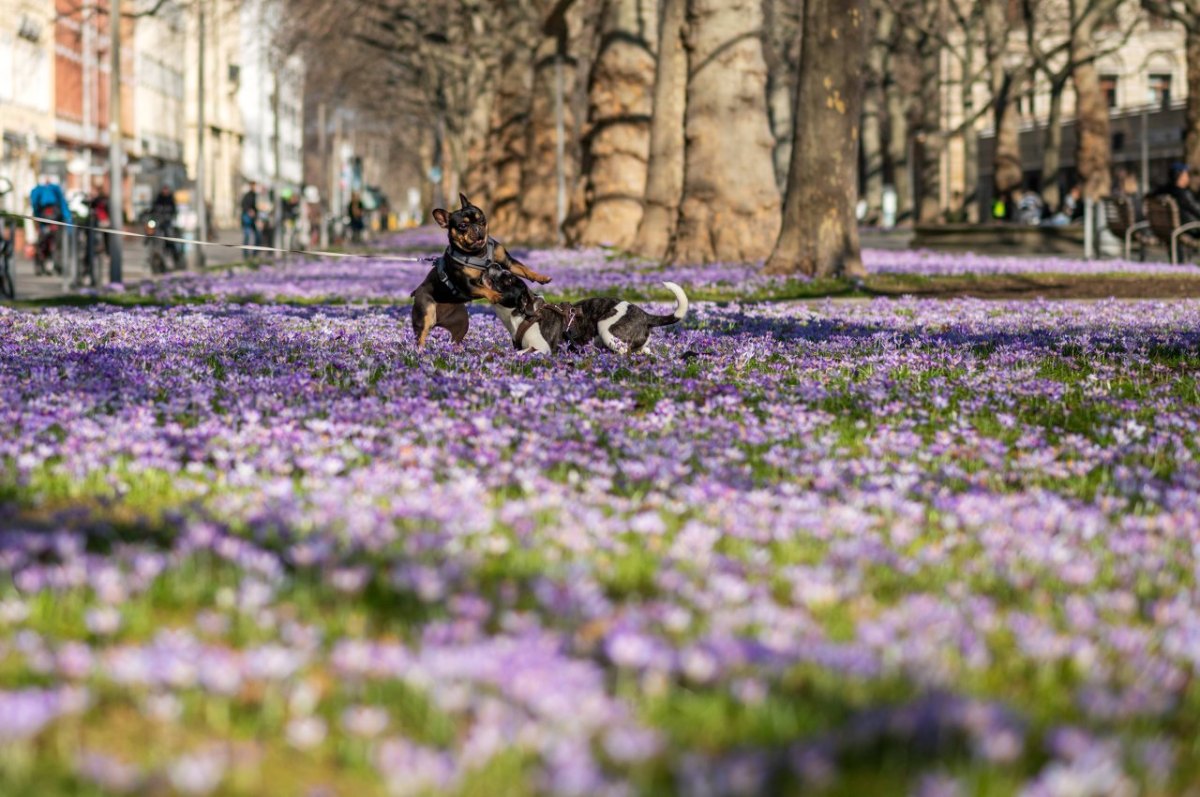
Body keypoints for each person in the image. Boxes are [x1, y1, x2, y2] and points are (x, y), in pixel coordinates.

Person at [29, 176, 71, 274]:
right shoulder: (54, 192)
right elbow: (63, 208)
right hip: (49, 223)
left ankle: (47, 264)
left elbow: (35, 210)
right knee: (50, 244)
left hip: (47, 223)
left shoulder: (41, 192)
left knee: (47, 243)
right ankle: (48, 264)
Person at [241, 182, 260, 251]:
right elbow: (243, 205)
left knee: (258, 236)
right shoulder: (247, 195)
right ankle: (246, 254)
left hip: (254, 218)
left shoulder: (256, 195)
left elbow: (256, 207)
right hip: (247, 218)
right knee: (247, 236)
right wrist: (249, 211)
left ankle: (255, 253)